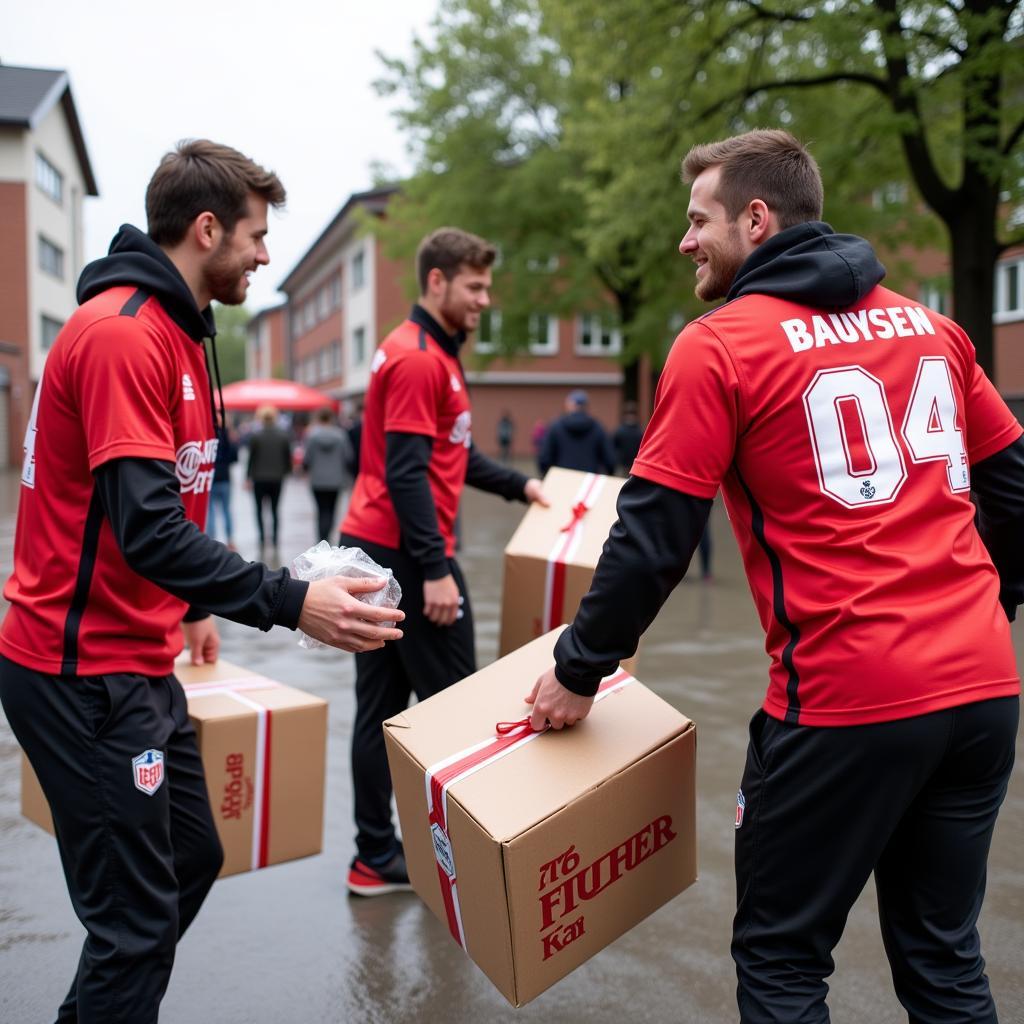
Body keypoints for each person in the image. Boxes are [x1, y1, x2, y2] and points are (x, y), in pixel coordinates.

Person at [528, 129, 1023, 1023]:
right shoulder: (932, 326)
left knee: (782, 956)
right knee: (945, 957)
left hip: (845, 699)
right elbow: (1015, 484)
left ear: (756, 219)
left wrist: (576, 668)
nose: (685, 241)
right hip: (983, 692)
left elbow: (652, 538)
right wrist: (997, 605)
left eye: (698, 220)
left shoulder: (719, 344)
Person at [0, 139, 405, 1024]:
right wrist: (290, 602)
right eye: (257, 237)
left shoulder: (184, 336)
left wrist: (188, 609)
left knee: (191, 856)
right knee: (135, 928)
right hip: (80, 676)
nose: (266, 256)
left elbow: (158, 512)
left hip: (137, 662)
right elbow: (146, 525)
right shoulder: (121, 336)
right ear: (208, 228)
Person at [339, 227, 548, 896]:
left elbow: (448, 455)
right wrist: (432, 571)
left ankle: (375, 857)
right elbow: (406, 475)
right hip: (405, 553)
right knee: (459, 710)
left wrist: (522, 485)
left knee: (379, 710)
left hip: (382, 547)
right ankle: (474, 862)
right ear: (437, 283)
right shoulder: (420, 360)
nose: (486, 300)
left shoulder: (429, 353)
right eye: (475, 286)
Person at [303, 406, 354, 544]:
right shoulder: (341, 435)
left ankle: (321, 539)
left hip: (317, 480)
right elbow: (349, 457)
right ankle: (328, 538)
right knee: (331, 510)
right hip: (336, 480)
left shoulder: (312, 436)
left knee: (320, 510)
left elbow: (307, 459)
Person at [245, 404, 292, 553]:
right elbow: (287, 458)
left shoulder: (255, 435)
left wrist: (248, 477)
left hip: (259, 477)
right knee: (275, 509)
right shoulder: (283, 435)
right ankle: (275, 538)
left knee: (259, 509)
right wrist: (286, 472)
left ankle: (262, 537)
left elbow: (251, 459)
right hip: (277, 478)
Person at [538, 389, 615, 475]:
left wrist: (547, 476)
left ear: (570, 404)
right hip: (588, 482)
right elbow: (610, 461)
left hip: (561, 480)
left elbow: (544, 458)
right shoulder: (598, 427)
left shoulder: (556, 426)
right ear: (586, 406)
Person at [205, 423, 238, 549]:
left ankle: (211, 540)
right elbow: (234, 457)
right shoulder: (227, 434)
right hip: (224, 478)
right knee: (226, 510)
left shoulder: (207, 433)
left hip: (211, 477)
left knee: (211, 511)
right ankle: (230, 540)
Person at [611, 399, 644, 475]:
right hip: (632, 466)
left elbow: (613, 447)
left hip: (624, 466)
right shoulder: (639, 432)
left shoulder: (619, 430)